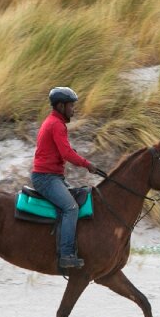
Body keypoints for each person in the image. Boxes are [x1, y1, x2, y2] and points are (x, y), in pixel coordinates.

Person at [31, 87, 100, 270]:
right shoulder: (56, 124)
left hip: (52, 176)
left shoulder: (53, 122)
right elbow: (66, 152)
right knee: (71, 208)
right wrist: (87, 165)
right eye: (71, 106)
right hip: (46, 178)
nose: (73, 110)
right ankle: (66, 255)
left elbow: (60, 151)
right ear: (61, 106)